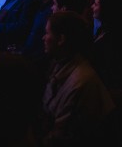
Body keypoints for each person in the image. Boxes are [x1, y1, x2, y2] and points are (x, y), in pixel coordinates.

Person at [39, 11, 115, 146]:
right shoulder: (60, 64)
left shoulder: (80, 81)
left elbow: (59, 138)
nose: (43, 38)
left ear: (61, 39)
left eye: (47, 33)